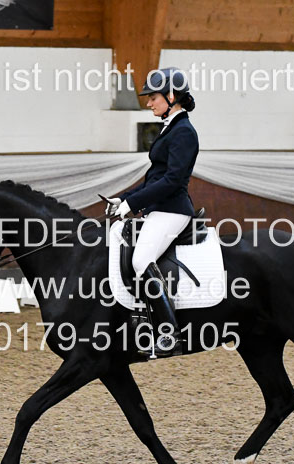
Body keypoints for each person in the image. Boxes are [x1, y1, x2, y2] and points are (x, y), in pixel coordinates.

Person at [104, 67, 198, 355]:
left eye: (153, 97)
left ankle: (169, 334)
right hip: (159, 209)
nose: (148, 103)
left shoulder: (184, 132)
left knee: (141, 259)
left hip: (173, 211)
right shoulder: (171, 127)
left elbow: (172, 181)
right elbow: (154, 179)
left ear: (171, 96)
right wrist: (124, 199)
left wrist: (132, 204)